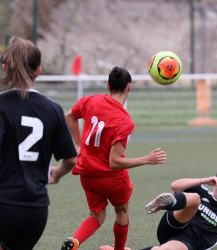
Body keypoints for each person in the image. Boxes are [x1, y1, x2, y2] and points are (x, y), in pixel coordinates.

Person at [0, 36, 77, 250]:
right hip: (36, 211)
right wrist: (55, 174)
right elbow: (71, 159)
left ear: (4, 67)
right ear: (39, 70)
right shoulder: (53, 108)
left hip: (0, 204)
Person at [60, 66, 167, 250]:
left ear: (108, 85)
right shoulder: (124, 121)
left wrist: (79, 144)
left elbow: (69, 116)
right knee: (122, 211)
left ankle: (74, 242)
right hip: (112, 178)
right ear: (129, 87)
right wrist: (146, 159)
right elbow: (114, 162)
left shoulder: (90, 101)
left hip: (87, 172)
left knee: (96, 215)